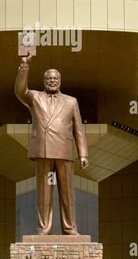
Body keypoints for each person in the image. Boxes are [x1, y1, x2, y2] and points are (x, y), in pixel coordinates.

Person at [15, 52, 88, 235]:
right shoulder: (34, 97)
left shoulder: (71, 102)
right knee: (44, 194)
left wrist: (83, 154)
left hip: (64, 150)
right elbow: (20, 90)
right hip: (43, 150)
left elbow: (78, 130)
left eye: (55, 78)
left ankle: (70, 229)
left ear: (60, 81)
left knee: (67, 193)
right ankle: (44, 229)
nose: (52, 81)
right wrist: (25, 65)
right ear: (44, 81)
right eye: (48, 78)